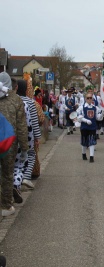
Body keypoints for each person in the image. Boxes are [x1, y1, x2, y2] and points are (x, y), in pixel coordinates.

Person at [0, 72, 29, 217]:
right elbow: (22, 127)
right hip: (9, 144)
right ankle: (5, 206)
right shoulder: (17, 100)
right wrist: (24, 148)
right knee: (7, 174)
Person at [13, 80, 41, 198]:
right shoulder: (29, 102)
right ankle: (25, 178)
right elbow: (34, 121)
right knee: (30, 154)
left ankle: (15, 184)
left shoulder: (11, 100)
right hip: (27, 134)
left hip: (12, 134)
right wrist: (37, 137)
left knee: (15, 160)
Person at [76, 92, 104, 162]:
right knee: (84, 141)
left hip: (92, 127)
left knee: (92, 141)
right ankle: (84, 153)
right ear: (85, 99)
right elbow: (79, 117)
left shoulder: (95, 108)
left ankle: (92, 156)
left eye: (90, 98)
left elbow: (98, 118)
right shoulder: (81, 107)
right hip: (84, 127)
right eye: (87, 98)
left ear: (92, 99)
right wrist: (85, 120)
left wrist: (102, 114)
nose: (89, 99)